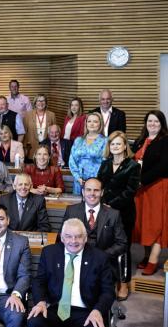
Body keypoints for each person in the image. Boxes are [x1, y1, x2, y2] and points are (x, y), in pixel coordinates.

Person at [27, 219, 115, 327]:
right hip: (55, 308)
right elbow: (39, 282)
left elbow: (108, 291)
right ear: (62, 238)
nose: (73, 241)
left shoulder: (99, 258)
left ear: (85, 238)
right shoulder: (49, 253)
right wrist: (41, 302)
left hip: (87, 311)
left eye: (78, 236)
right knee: (35, 322)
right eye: (68, 236)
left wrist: (98, 310)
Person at [97, 131, 140, 299]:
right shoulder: (105, 164)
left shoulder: (133, 166)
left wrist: (110, 204)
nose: (115, 146)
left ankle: (124, 283)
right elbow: (100, 185)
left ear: (124, 146)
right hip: (106, 212)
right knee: (107, 246)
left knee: (124, 248)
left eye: (118, 144)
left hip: (124, 213)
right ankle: (109, 281)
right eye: (112, 144)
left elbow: (130, 191)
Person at [61, 178, 128, 281]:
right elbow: (62, 238)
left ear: (102, 193)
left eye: (96, 190)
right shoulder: (71, 211)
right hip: (76, 260)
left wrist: (102, 256)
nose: (92, 193)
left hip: (104, 263)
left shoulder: (113, 214)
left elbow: (122, 243)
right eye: (88, 190)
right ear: (83, 192)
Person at [133, 110, 168, 276]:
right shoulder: (140, 141)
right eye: (149, 121)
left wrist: (143, 180)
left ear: (161, 124)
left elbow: (163, 166)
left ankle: (153, 260)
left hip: (157, 187)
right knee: (143, 224)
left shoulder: (165, 141)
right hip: (141, 190)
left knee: (156, 225)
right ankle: (146, 256)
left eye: (156, 121)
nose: (152, 124)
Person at [68, 112, 106, 195]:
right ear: (86, 123)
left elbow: (106, 162)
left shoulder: (105, 141)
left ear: (100, 124)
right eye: (89, 121)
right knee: (78, 206)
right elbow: (72, 160)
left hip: (96, 181)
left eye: (95, 122)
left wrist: (96, 179)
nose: (92, 124)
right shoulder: (78, 140)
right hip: (79, 181)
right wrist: (77, 177)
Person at [22, 94, 56, 159]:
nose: (41, 103)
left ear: (46, 103)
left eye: (43, 101)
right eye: (38, 101)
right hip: (31, 148)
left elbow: (54, 132)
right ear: (35, 103)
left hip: (47, 148)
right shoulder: (28, 115)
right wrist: (24, 147)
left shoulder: (52, 115)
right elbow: (24, 133)